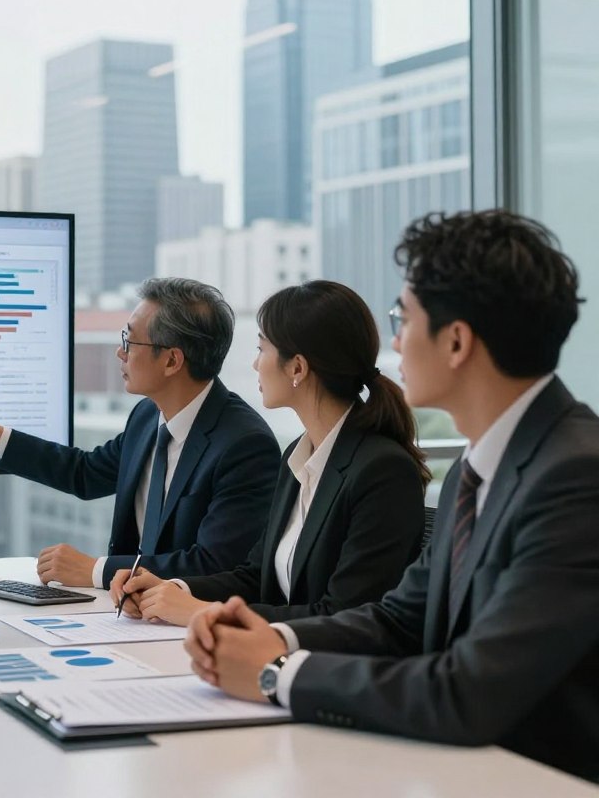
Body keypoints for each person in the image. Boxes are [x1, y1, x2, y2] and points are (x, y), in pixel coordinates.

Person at [185, 211, 599, 782]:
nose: (396, 339)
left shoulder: (577, 475)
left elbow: (468, 691)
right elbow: (400, 620)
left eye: (403, 318)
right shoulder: (474, 470)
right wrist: (270, 636)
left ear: (456, 341)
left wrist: (278, 673)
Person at [111, 280, 428, 626]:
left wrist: (202, 612)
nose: (254, 364)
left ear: (297, 368)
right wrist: (171, 589)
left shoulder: (382, 471)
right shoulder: (300, 455)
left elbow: (342, 616)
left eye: (262, 349)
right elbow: (256, 577)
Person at [0, 277, 280, 589]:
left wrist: (96, 570)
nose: (119, 352)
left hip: (186, 628)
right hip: (127, 615)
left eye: (130, 340)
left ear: (172, 361)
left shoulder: (244, 445)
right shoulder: (147, 416)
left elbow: (215, 564)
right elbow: (85, 474)